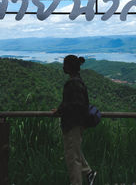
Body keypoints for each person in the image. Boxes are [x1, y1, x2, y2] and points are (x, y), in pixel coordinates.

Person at [53, 55, 97, 185]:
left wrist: (59, 110)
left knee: (73, 159)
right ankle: (89, 173)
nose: (63, 67)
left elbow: (74, 104)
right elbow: (72, 103)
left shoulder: (73, 83)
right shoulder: (77, 81)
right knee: (75, 153)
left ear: (70, 67)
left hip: (73, 124)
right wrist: (60, 109)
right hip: (77, 124)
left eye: (65, 64)